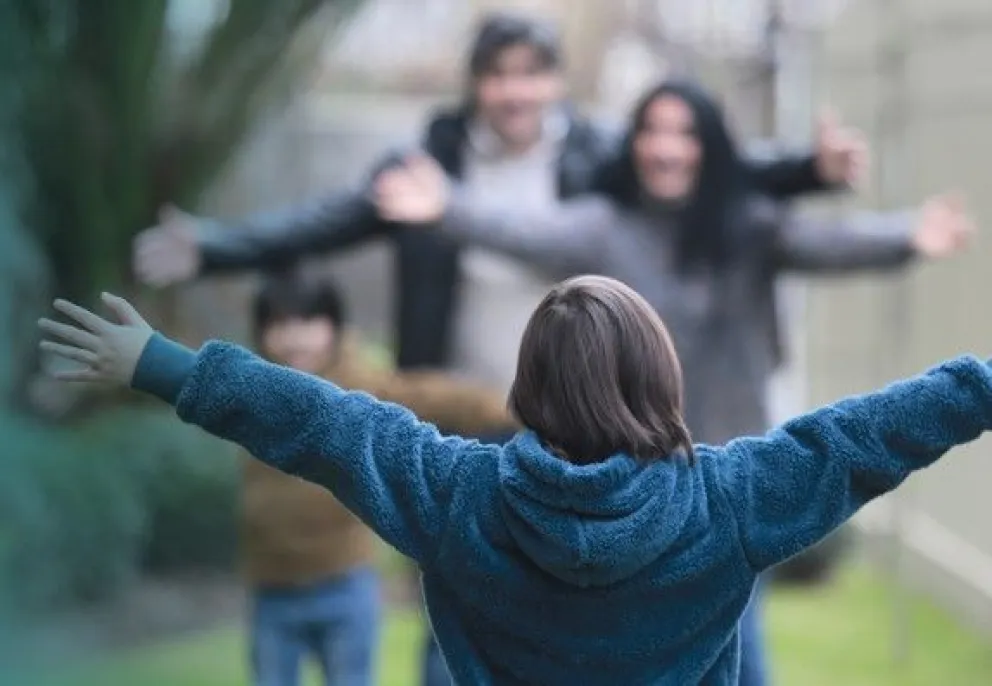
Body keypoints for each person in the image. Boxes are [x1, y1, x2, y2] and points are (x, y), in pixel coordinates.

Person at [132, 15, 864, 683]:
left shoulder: (597, 155)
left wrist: (810, 171)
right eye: (498, 74)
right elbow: (327, 223)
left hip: (586, 421)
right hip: (467, 420)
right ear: (477, 84)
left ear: (554, 82)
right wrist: (213, 247)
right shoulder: (432, 160)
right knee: (456, 613)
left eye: (530, 73)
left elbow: (705, 166)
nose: (514, 91)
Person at [38, 277, 992, 685]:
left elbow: (323, 423)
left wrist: (160, 362)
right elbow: (868, 435)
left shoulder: (458, 497)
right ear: (660, 378)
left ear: (530, 386)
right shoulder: (730, 500)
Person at [370, 80, 976, 685]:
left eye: (683, 133)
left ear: (708, 147)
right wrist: (449, 206)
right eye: (652, 130)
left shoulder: (748, 227)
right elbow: (527, 230)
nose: (665, 148)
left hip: (721, 485)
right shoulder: (604, 229)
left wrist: (904, 236)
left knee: (743, 656)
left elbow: (828, 243)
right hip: (631, 485)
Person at [241, 272, 515, 686]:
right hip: (271, 589)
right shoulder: (247, 391)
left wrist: (520, 410)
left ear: (334, 326)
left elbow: (436, 395)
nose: (293, 338)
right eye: (279, 325)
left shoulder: (361, 388)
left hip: (344, 582)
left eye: (307, 323)